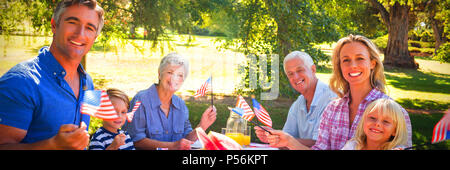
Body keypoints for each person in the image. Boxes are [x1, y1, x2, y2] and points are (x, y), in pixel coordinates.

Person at [265, 34, 412, 150]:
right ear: (340, 66)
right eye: (346, 60)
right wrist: (290, 142)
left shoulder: (395, 113)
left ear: (372, 63)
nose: (352, 65)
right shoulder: (332, 109)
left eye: (360, 58)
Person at [0, 0, 104, 150]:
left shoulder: (88, 82)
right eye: (73, 22)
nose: (80, 33)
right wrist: (53, 145)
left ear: (94, 37)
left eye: (89, 28)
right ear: (54, 25)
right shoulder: (20, 82)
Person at [124, 52, 217, 150]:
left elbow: (187, 140)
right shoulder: (141, 100)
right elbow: (135, 140)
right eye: (170, 72)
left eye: (180, 75)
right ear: (160, 74)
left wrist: (202, 126)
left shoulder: (181, 105)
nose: (174, 78)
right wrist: (173, 146)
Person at [254, 51, 336, 147]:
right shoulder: (298, 104)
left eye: (300, 70)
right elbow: (287, 140)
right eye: (290, 74)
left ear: (313, 69)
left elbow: (320, 144)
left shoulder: (332, 99)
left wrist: (283, 139)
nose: (296, 77)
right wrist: (273, 136)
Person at [341, 98, 409, 150]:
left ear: (395, 131)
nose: (377, 124)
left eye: (386, 121)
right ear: (363, 121)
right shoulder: (353, 145)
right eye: (372, 118)